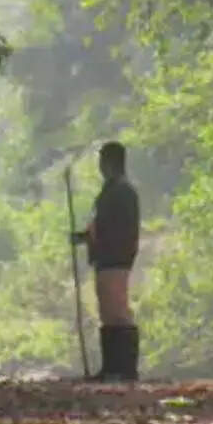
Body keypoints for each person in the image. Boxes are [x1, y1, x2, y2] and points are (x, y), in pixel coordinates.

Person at [70, 141, 140, 381]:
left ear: (110, 162)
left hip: (115, 257)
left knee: (118, 312)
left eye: (102, 161)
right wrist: (85, 237)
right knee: (108, 312)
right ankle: (111, 368)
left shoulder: (122, 191)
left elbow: (120, 228)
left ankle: (125, 369)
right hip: (106, 257)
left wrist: (98, 241)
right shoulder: (111, 190)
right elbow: (100, 226)